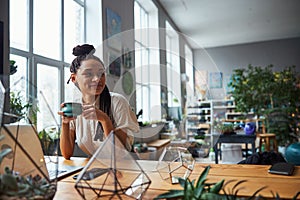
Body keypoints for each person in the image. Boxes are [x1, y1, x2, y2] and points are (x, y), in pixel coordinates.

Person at [58, 44, 139, 160]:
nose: (97, 79)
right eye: (89, 74)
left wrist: (104, 119)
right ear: (74, 78)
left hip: (123, 168)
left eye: (101, 73)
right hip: (94, 169)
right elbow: (67, 154)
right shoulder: (76, 107)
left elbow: (119, 154)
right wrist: (65, 124)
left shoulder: (117, 102)